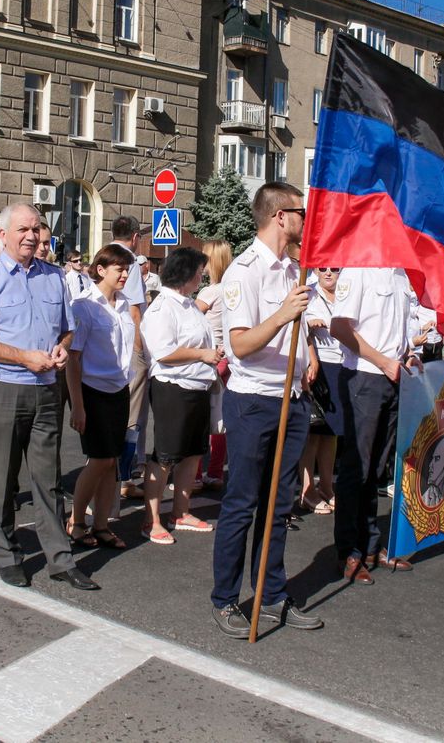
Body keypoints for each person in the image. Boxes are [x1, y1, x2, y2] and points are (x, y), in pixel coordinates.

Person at [0, 203, 98, 590]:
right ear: (3, 235)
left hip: (46, 390)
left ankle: (59, 558)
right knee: (3, 477)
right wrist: (24, 357)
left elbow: (68, 330)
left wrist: (60, 348)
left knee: (48, 478)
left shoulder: (53, 276)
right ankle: (7, 555)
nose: (31, 236)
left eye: (36, 229)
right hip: (4, 386)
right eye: (23, 229)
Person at [211, 182, 322, 637]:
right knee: (242, 502)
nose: (305, 219)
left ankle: (272, 592)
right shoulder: (245, 271)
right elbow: (240, 344)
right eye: (301, 211)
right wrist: (282, 317)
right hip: (254, 401)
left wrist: (309, 350)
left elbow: (298, 331)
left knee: (280, 506)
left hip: (291, 399)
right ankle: (225, 599)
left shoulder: (294, 269)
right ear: (280, 216)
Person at [330, 266, 422, 583]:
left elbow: (399, 331)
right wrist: (383, 361)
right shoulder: (358, 271)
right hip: (364, 376)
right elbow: (339, 328)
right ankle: (349, 551)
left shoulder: (400, 275)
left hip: (393, 376)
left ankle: (370, 544)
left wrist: (408, 354)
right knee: (358, 466)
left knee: (378, 467)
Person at [140, 246, 220, 545]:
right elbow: (164, 352)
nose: (201, 278)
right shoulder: (164, 307)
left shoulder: (187, 304)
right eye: (199, 273)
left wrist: (208, 355)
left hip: (197, 386)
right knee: (166, 455)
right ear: (185, 275)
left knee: (193, 452)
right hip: (173, 387)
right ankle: (151, 519)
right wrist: (202, 354)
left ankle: (180, 512)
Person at [64, 244, 136, 549]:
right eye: (118, 268)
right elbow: (73, 358)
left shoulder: (124, 305)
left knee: (112, 462)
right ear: (101, 269)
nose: (124, 274)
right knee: (99, 459)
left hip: (118, 388)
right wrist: (78, 405)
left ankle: (102, 524)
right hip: (92, 391)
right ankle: (76, 521)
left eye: (126, 269)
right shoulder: (84, 306)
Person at [110, 215, 149, 499]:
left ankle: (114, 475)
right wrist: (139, 349)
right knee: (131, 416)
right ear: (135, 237)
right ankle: (123, 478)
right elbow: (134, 309)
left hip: (109, 346)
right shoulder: (129, 261)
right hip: (128, 344)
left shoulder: (105, 255)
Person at [300, 266, 344, 514]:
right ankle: (307, 490)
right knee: (313, 432)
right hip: (318, 366)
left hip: (342, 364)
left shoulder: (346, 292)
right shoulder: (309, 293)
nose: (328, 273)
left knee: (331, 433)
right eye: (322, 269)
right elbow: (295, 323)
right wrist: (309, 323)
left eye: (334, 269)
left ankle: (327, 486)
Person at [194, 239, 233, 488]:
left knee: (200, 419)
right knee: (220, 420)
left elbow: (190, 316)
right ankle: (216, 472)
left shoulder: (209, 292)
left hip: (211, 358)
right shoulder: (231, 289)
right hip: (228, 357)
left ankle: (195, 475)